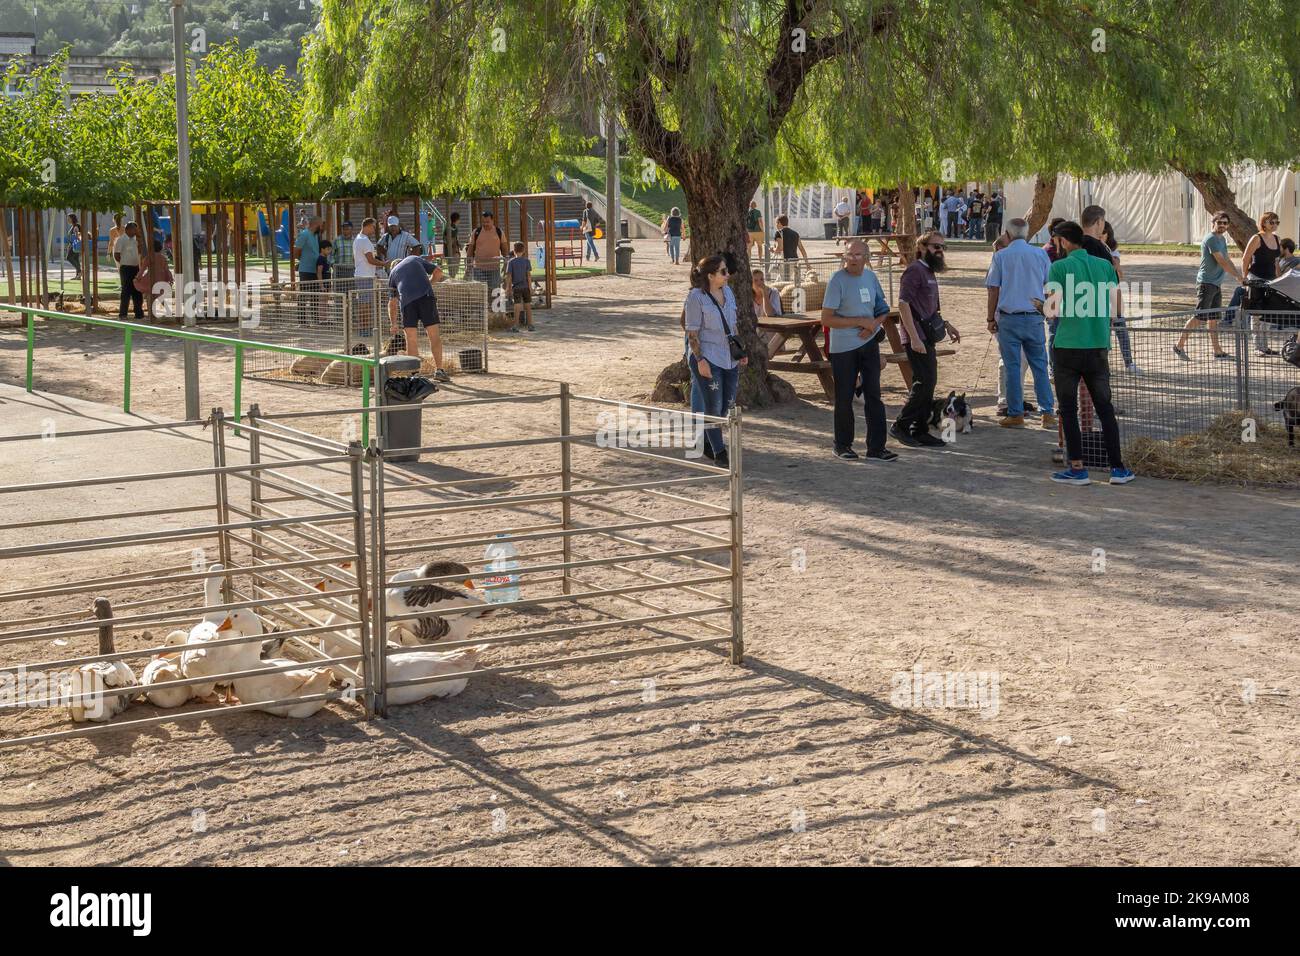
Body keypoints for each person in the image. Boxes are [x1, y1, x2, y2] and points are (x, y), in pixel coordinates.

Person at [1043, 221, 1134, 486]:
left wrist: (1042, 305)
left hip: (1068, 346)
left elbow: (1052, 309)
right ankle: (1117, 467)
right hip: (1097, 345)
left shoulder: (1058, 267)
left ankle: (1077, 468)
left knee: (1069, 409)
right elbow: (1117, 308)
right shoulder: (1105, 266)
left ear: (1063, 241)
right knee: (1105, 409)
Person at [821, 240, 896, 462]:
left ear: (867, 257)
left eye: (857, 254)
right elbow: (827, 318)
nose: (852, 258)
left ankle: (876, 448)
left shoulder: (871, 278)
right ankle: (842, 445)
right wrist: (859, 322)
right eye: (849, 254)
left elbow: (882, 309)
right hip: (843, 347)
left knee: (874, 395)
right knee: (844, 397)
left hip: (869, 344)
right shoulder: (837, 280)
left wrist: (873, 324)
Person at [892, 231, 962, 446]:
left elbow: (929, 308)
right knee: (925, 383)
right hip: (917, 337)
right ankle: (901, 426)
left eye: (942, 246)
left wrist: (946, 325)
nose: (939, 250)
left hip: (927, 335)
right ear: (922, 247)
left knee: (927, 383)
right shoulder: (914, 271)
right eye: (935, 246)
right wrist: (913, 338)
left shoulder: (929, 271)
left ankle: (919, 428)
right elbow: (903, 304)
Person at [986, 218, 1056, 429]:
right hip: (1034, 316)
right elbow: (1050, 285)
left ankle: (1015, 413)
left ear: (1007, 234)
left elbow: (993, 289)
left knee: (1012, 367)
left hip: (1009, 318)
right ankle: (1047, 412)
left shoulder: (1001, 256)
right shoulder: (1040, 254)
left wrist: (990, 318)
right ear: (1028, 234)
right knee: (1040, 366)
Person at [683, 254, 745, 468]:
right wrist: (700, 359)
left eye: (726, 270)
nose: (728, 275)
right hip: (708, 357)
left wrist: (740, 350)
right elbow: (692, 332)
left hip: (729, 358)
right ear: (710, 276)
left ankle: (710, 441)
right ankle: (720, 453)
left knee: (726, 405)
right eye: (723, 271)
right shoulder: (695, 297)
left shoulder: (728, 292)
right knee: (713, 404)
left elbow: (733, 325)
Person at [1174, 211, 1240, 360]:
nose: (1222, 225)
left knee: (1213, 319)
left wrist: (1239, 275)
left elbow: (1227, 260)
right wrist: (1236, 276)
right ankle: (1178, 346)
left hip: (1216, 284)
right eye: (1219, 222)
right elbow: (1221, 261)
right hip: (1206, 283)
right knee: (1200, 317)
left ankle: (1217, 351)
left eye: (1225, 223)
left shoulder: (1222, 239)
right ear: (1213, 223)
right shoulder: (1211, 239)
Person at [386, 246, 450, 381]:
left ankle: (414, 374)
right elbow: (438, 272)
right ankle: (439, 370)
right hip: (426, 298)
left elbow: (392, 303)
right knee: (433, 335)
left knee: (411, 339)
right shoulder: (414, 258)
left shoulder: (392, 274)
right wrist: (429, 284)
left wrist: (393, 324)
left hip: (407, 303)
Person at [1239, 211, 1284, 355]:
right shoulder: (1256, 238)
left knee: (1268, 314)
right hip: (1256, 279)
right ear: (1264, 222)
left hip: (1271, 281)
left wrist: (1279, 279)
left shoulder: (1277, 239)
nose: (1274, 225)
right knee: (1257, 314)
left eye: (1277, 222)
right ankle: (1258, 347)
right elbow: (1246, 258)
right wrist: (1244, 278)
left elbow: (1276, 262)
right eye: (1272, 222)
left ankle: (1265, 346)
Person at [352, 217, 382, 338]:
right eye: (373, 227)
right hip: (365, 276)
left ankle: (366, 328)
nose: (374, 230)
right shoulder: (364, 240)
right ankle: (364, 329)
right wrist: (383, 264)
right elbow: (370, 259)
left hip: (363, 274)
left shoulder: (358, 239)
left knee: (365, 304)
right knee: (365, 304)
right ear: (368, 226)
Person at [465, 210, 508, 293]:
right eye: (483, 222)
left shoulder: (499, 232)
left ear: (492, 221)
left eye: (487, 222)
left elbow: (505, 249)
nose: (485, 224)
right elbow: (470, 249)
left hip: (494, 268)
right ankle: (483, 306)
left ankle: (493, 306)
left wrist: (506, 263)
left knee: (495, 292)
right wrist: (468, 265)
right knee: (480, 292)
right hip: (478, 268)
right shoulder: (476, 232)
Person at [113, 221, 144, 320]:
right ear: (127, 230)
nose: (136, 231)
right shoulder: (121, 240)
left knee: (137, 291)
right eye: (134, 229)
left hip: (135, 267)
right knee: (126, 291)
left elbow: (141, 250)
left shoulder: (136, 239)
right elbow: (117, 255)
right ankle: (123, 314)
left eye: (136, 229)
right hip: (126, 268)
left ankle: (139, 313)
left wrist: (139, 238)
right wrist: (124, 262)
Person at [137, 237, 173, 320]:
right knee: (161, 296)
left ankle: (151, 315)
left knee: (149, 296)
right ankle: (168, 312)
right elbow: (167, 270)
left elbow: (142, 270)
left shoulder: (148, 257)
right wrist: (170, 278)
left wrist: (138, 278)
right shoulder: (163, 258)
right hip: (161, 278)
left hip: (151, 278)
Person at [505, 241, 535, 332]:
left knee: (517, 306)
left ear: (514, 251)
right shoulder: (527, 261)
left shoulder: (511, 262)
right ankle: (530, 325)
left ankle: (516, 325)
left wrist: (508, 288)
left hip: (516, 287)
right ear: (524, 251)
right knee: (528, 305)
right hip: (525, 286)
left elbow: (509, 276)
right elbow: (529, 276)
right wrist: (530, 287)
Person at [771, 215, 809, 281]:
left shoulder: (778, 233)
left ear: (779, 223)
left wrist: (772, 249)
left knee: (783, 282)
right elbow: (802, 249)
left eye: (776, 223)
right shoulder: (796, 234)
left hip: (785, 261)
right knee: (780, 281)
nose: (776, 225)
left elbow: (780, 248)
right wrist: (807, 264)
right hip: (795, 261)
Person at [295, 215, 322, 285]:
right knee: (306, 294)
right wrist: (303, 260)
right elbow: (297, 250)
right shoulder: (304, 234)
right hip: (306, 271)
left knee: (315, 294)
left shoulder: (316, 235)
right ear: (316, 225)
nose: (321, 228)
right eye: (320, 225)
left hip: (315, 270)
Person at [442, 211, 462, 278]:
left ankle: (451, 278)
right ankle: (452, 279)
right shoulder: (453, 228)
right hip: (452, 251)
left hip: (448, 250)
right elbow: (451, 239)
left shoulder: (448, 227)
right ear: (457, 219)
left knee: (451, 268)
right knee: (454, 268)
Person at [65, 214, 82, 279]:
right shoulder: (74, 226)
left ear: (72, 218)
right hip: (74, 244)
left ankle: (80, 271)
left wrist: (71, 244)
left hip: (75, 245)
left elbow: (77, 236)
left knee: (69, 257)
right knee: (76, 259)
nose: (68, 220)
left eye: (69, 218)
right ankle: (78, 275)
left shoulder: (76, 226)